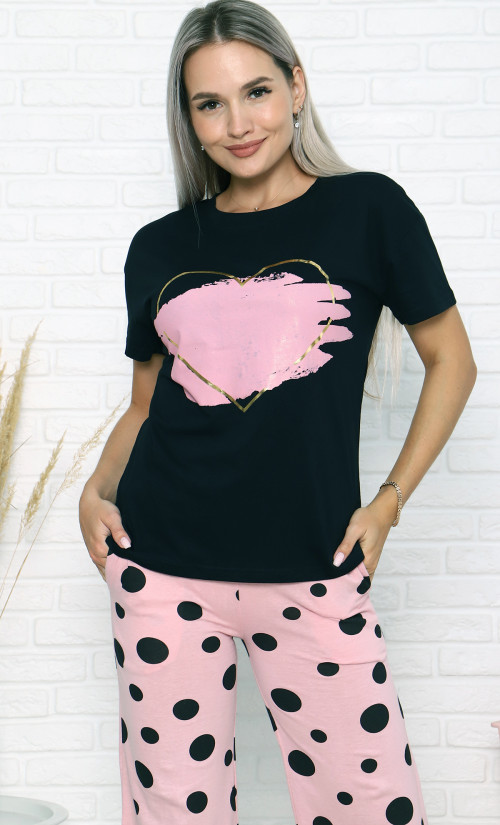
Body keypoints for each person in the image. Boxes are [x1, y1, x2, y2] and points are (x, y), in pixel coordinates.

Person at [79, 2, 477, 824]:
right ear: (189, 121)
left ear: (296, 88)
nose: (238, 124)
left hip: (315, 562)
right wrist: (95, 489)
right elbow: (146, 405)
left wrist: (389, 502)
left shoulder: (370, 209)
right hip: (161, 569)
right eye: (210, 104)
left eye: (256, 92)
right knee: (176, 811)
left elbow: (454, 361)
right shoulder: (159, 246)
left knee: (369, 805)